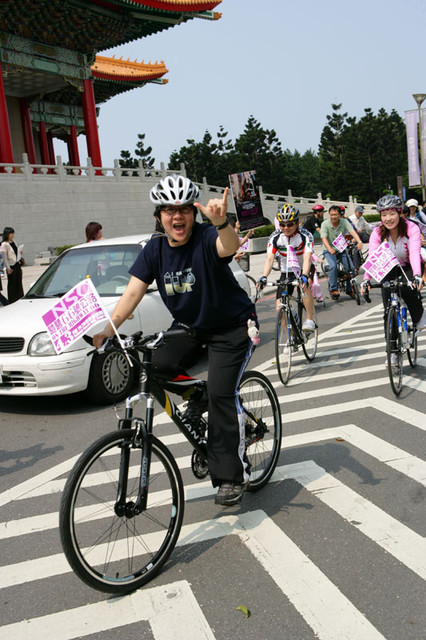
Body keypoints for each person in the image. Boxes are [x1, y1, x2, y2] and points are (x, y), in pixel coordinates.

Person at [93, 175, 258, 507]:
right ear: (159, 216)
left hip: (232, 328)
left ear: (193, 214)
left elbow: (228, 247)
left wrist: (221, 222)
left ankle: (230, 476)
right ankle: (200, 396)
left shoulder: (207, 236)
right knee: (156, 364)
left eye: (184, 209)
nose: (177, 216)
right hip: (189, 328)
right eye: (169, 210)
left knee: (222, 394)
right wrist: (106, 331)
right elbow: (130, 296)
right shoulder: (154, 250)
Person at [361, 195, 426, 363]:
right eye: (384, 215)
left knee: (408, 287)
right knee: (388, 309)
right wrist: (366, 279)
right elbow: (373, 258)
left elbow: (414, 253)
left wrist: (417, 276)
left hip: (409, 265)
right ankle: (392, 351)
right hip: (388, 268)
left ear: (400, 213)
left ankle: (419, 316)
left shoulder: (412, 228)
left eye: (391, 214)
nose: (388, 219)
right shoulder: (377, 233)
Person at [258, 204, 316, 332]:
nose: (286, 228)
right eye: (282, 224)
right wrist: (264, 277)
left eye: (290, 224)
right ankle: (291, 337)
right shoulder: (275, 237)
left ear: (297, 223)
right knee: (280, 307)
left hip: (303, 268)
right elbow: (269, 259)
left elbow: (307, 258)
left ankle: (309, 319)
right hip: (287, 271)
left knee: (305, 287)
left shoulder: (305, 235)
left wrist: (305, 275)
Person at [320, 205, 363, 300]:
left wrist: (359, 241)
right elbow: (324, 238)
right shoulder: (325, 224)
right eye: (331, 214)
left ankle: (349, 289)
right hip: (329, 250)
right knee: (333, 266)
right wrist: (329, 249)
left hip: (341, 249)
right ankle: (333, 289)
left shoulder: (344, 222)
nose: (333, 217)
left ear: (340, 215)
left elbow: (352, 231)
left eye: (335, 214)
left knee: (351, 268)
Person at [1, 226, 24, 303]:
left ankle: (19, 297)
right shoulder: (4, 244)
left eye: (13, 233)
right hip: (11, 266)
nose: (12, 235)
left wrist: (20, 253)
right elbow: (4, 258)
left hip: (17, 264)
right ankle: (12, 299)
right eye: (11, 233)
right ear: (7, 234)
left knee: (18, 282)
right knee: (12, 284)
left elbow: (15, 252)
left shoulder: (14, 242)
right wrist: (8, 268)